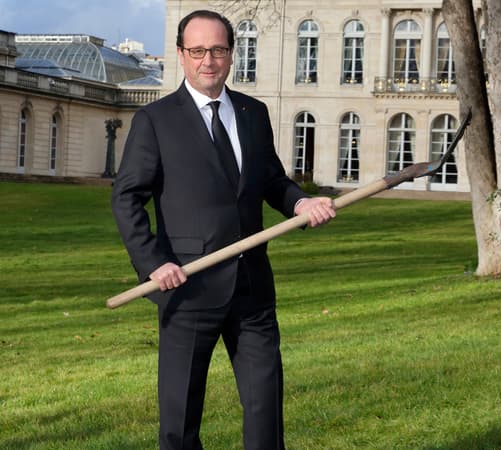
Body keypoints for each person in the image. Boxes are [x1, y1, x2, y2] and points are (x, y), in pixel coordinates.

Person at [111, 9, 336, 450]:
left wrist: (300, 201)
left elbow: (271, 179)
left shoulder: (254, 113)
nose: (207, 60)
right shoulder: (155, 120)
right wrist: (154, 264)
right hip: (187, 286)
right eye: (197, 51)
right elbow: (126, 198)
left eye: (217, 50)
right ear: (181, 55)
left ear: (232, 55)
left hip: (252, 288)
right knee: (179, 420)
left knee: (264, 410)